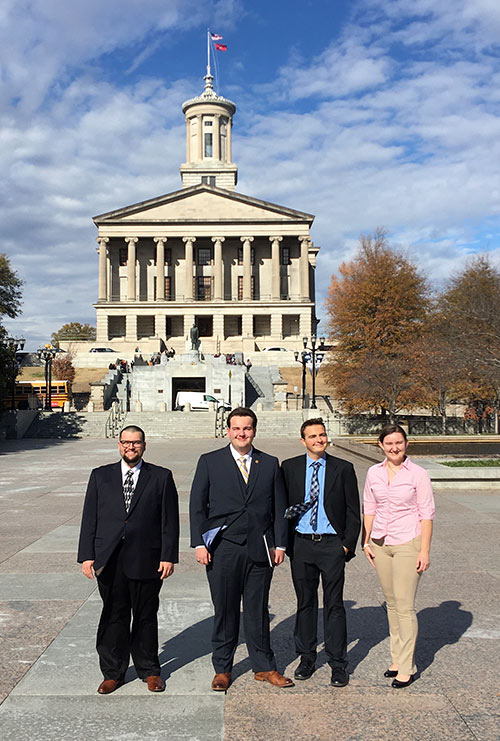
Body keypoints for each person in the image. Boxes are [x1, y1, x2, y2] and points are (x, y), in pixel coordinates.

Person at [189, 407, 293, 692]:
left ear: (254, 431)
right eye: (236, 428)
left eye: (246, 428)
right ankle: (223, 668)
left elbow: (279, 507)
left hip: (259, 549)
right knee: (225, 610)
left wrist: (280, 544)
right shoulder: (210, 461)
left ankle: (264, 666)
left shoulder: (269, 463)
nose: (241, 433)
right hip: (223, 548)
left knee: (257, 610)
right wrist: (199, 542)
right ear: (228, 430)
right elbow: (197, 506)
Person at [77, 425, 179, 695]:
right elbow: (90, 518)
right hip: (109, 558)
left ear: (144, 445)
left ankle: (149, 670)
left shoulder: (160, 476)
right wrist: (87, 556)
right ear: (118, 445)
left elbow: (170, 520)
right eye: (125, 442)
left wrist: (168, 556)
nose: (130, 447)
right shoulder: (101, 476)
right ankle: (113, 672)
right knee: (114, 616)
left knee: (146, 615)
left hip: (147, 557)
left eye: (135, 443)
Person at [281, 418, 361, 687]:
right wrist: (286, 544)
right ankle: (306, 657)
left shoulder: (343, 468)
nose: (319, 440)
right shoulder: (289, 467)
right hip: (302, 543)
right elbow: (281, 508)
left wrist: (346, 544)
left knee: (334, 604)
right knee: (305, 603)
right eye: (312, 436)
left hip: (331, 544)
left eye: (322, 435)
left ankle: (338, 663)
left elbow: (352, 510)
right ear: (303, 441)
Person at [362, 424, 435, 688]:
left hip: (408, 542)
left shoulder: (418, 474)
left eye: (399, 443)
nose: (394, 448)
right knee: (391, 603)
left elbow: (427, 514)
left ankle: (407, 666)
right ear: (380, 445)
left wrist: (424, 550)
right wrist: (365, 541)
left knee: (404, 605)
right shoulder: (373, 473)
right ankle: (396, 658)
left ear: (406, 444)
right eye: (389, 443)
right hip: (381, 543)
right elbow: (369, 507)